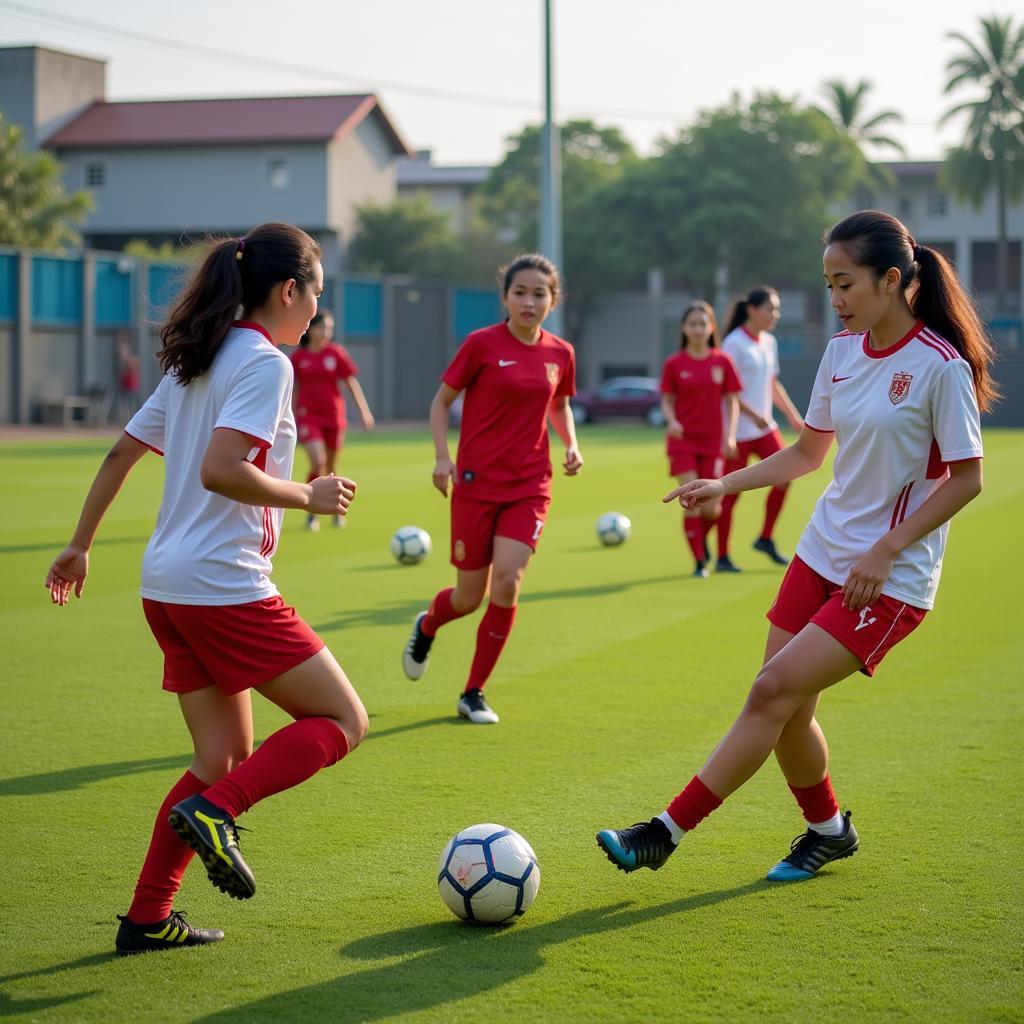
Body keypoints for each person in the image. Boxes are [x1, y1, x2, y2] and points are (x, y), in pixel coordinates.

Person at [597, 210, 994, 883]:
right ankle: (830, 830)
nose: (834, 300)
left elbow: (968, 479)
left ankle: (664, 831)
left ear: (893, 280)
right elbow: (809, 453)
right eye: (828, 284)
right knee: (786, 712)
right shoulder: (841, 354)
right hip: (821, 552)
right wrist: (727, 483)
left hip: (888, 577)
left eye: (846, 285)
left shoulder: (940, 367)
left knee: (770, 690)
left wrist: (888, 549)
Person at [44, 223, 369, 956]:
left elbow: (122, 450)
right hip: (223, 586)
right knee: (344, 722)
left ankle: (147, 918)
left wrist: (79, 545)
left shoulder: (200, 356)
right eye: (317, 293)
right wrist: (306, 495)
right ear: (290, 291)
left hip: (165, 585)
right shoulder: (265, 363)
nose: (316, 310)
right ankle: (219, 813)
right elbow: (222, 469)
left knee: (220, 753)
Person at [401, 253, 583, 725]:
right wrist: (443, 456)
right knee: (467, 598)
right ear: (505, 297)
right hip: (476, 484)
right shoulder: (481, 344)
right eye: (520, 292)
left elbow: (560, 405)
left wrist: (571, 444)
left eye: (539, 293)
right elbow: (441, 403)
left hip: (530, 485)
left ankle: (473, 692)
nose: (529, 301)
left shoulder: (561, 353)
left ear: (553, 300)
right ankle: (427, 624)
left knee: (508, 580)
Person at [716, 287, 805, 572]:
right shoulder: (733, 343)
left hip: (765, 428)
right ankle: (722, 556)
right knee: (729, 493)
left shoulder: (769, 342)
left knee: (785, 476)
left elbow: (772, 383)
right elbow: (727, 390)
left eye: (777, 309)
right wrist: (752, 415)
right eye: (770, 309)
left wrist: (792, 416)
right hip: (738, 432)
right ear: (752, 310)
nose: (775, 315)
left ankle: (765, 537)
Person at [659, 301, 742, 577]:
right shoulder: (674, 363)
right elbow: (667, 400)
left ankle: (700, 540)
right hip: (682, 443)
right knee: (691, 499)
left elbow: (732, 402)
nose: (697, 329)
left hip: (712, 443)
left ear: (711, 328)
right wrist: (672, 421)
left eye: (702, 324)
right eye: (692, 324)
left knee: (712, 508)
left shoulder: (722, 361)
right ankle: (698, 562)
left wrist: (730, 436)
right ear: (684, 328)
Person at [291, 310, 375, 531]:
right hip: (308, 417)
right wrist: (288, 417)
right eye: (322, 327)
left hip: (334, 418)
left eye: (330, 328)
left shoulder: (336, 353)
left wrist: (364, 412)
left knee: (331, 467)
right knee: (317, 462)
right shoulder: (299, 357)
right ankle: (311, 511)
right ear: (311, 328)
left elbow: (351, 384)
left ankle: (336, 511)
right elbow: (294, 390)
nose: (326, 332)